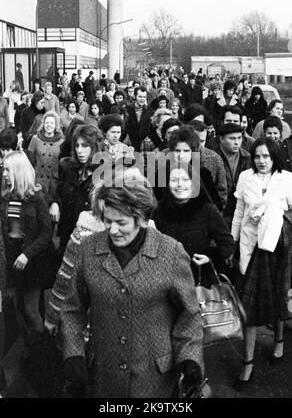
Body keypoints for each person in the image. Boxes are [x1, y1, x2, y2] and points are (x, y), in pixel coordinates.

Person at [60, 174, 204, 398]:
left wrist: (189, 357)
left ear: (142, 218)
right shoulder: (88, 250)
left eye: (121, 222)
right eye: (107, 220)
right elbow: (71, 309)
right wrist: (74, 353)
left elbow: (190, 314)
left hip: (155, 380)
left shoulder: (171, 253)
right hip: (104, 375)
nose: (112, 230)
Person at [231, 138, 292, 389]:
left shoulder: (287, 178)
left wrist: (276, 215)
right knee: (249, 305)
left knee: (277, 295)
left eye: (266, 156)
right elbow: (238, 212)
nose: (261, 161)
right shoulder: (246, 177)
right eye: (257, 156)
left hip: (279, 247)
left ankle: (278, 341)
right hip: (251, 245)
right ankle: (248, 362)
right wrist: (231, 243)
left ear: (274, 157)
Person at [0, 151, 53, 342]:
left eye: (7, 169)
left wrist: (26, 255)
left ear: (18, 171)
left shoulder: (36, 198)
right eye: (3, 169)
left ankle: (41, 351)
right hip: (10, 260)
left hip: (31, 262)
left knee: (31, 310)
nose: (4, 173)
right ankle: (26, 343)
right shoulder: (4, 197)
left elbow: (46, 234)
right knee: (13, 307)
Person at [154, 162, 234, 285]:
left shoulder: (207, 210)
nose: (180, 184)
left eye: (185, 179)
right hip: (165, 279)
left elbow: (228, 244)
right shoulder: (159, 211)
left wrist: (209, 258)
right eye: (174, 180)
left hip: (198, 280)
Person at [49, 124, 102, 256]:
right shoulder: (69, 169)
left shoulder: (104, 175)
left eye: (85, 146)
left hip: (90, 241)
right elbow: (58, 191)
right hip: (66, 235)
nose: (79, 150)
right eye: (77, 145)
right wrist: (54, 203)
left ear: (95, 147)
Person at [27, 111, 64, 202]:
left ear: (56, 125)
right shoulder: (35, 139)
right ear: (43, 124)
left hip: (53, 183)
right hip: (37, 181)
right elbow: (28, 161)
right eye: (47, 122)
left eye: (52, 123)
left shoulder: (62, 142)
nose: (49, 125)